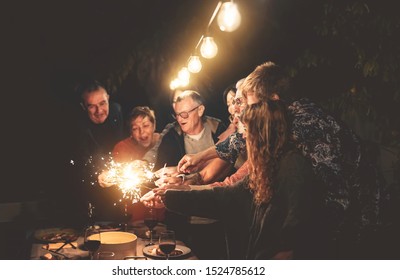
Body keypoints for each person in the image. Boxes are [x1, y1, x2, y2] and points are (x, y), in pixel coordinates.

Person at [177, 62, 386, 254]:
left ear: (273, 99)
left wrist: (295, 251)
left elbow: (338, 198)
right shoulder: (284, 118)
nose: (243, 111)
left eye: (249, 103)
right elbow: (242, 140)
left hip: (359, 224)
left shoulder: (307, 126)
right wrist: (199, 156)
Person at [142, 103, 332, 259]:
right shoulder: (265, 166)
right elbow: (224, 196)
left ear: (263, 131)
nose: (244, 136)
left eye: (248, 129)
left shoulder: (293, 164)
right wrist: (169, 196)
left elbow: (296, 226)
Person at [154, 89, 228, 259]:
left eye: (185, 114)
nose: (180, 119)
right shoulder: (171, 138)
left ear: (200, 110)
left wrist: (184, 176)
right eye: (177, 115)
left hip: (218, 221)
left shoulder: (221, 132)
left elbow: (228, 169)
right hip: (184, 223)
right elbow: (160, 170)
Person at [70, 80, 128, 224]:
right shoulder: (77, 126)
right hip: (87, 190)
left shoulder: (117, 111)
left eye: (102, 103)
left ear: (108, 98)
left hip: (118, 189)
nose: (99, 111)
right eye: (92, 106)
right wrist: (98, 173)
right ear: (83, 107)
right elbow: (80, 160)